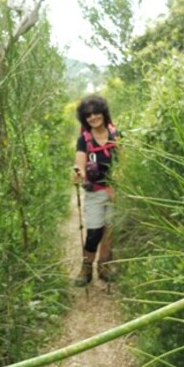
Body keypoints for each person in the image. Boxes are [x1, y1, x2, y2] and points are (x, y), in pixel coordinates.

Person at [72, 95, 120, 286]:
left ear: (103, 112)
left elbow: (124, 162)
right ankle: (86, 269)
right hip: (95, 192)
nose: (93, 117)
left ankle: (104, 267)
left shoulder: (116, 135)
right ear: (85, 119)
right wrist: (79, 173)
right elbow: (80, 164)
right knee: (94, 233)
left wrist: (116, 186)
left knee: (110, 231)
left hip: (116, 192)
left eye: (96, 112)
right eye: (88, 115)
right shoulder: (84, 139)